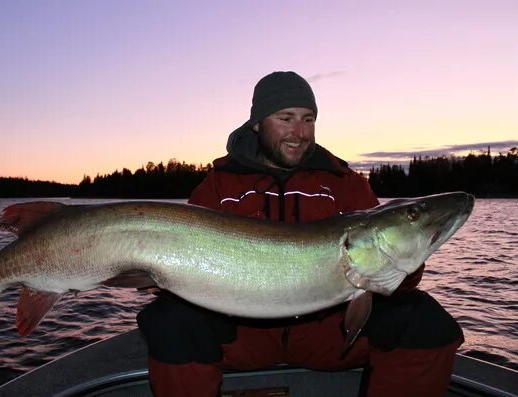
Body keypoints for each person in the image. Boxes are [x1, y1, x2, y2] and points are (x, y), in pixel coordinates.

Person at [137, 71, 463, 396]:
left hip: (327, 333)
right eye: (286, 118)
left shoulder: (344, 182)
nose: (299, 132)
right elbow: (181, 272)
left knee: (424, 321)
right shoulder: (220, 185)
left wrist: (405, 267)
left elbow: (393, 275)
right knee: (170, 320)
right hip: (242, 333)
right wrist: (154, 272)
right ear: (257, 123)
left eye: (308, 119)